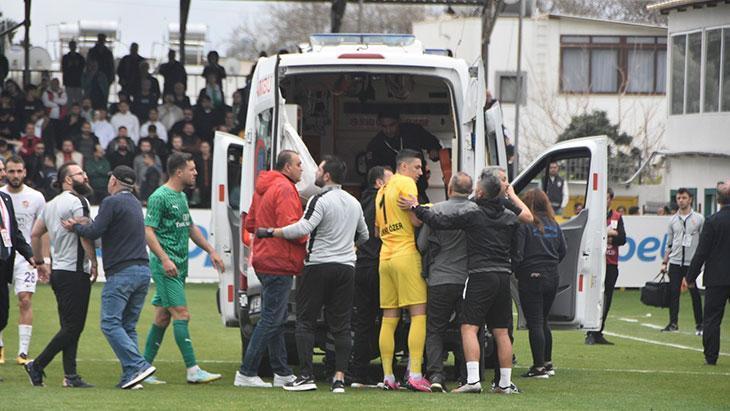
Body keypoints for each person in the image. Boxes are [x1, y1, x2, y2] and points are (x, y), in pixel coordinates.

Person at [403, 166, 532, 395]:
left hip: (479, 275)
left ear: (481, 194)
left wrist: (416, 207)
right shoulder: (509, 216)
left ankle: (472, 380)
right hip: (503, 275)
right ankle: (504, 383)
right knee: (501, 332)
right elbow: (528, 217)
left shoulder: (474, 214)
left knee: (469, 327)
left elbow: (438, 220)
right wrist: (510, 194)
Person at [258, 155, 368, 393]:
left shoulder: (319, 200)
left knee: (305, 322)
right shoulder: (353, 201)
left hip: (318, 265)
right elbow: (365, 235)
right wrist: (349, 248)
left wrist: (272, 232)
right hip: (346, 268)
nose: (314, 173)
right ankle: (339, 378)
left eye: (318, 169)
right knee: (341, 325)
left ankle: (306, 375)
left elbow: (304, 227)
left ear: (327, 175)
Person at [62, 166, 157, 388]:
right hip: (143, 270)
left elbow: (94, 232)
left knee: (110, 323)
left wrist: (76, 226)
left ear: (113, 180)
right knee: (128, 325)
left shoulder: (111, 202)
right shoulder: (134, 202)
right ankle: (132, 377)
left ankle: (138, 365)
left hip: (122, 271)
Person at [141, 152, 224, 384]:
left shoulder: (181, 197)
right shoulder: (160, 197)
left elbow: (190, 228)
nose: (196, 173)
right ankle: (192, 370)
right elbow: (148, 231)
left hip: (179, 266)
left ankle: (142, 368)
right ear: (179, 172)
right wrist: (165, 259)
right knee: (182, 314)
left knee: (162, 318)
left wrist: (211, 251)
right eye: (192, 169)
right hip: (166, 267)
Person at [234, 150, 305, 389]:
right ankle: (247, 371)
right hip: (279, 260)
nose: (301, 168)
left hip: (264, 258)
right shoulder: (285, 189)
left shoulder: (263, 187)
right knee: (272, 319)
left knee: (276, 318)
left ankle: (282, 371)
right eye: (298, 164)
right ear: (286, 168)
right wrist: (309, 237)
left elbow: (251, 224)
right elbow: (292, 228)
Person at [26, 162, 96, 387]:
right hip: (75, 272)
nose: (85, 176)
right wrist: (93, 261)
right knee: (74, 326)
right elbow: (85, 234)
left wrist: (40, 261)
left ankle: (71, 375)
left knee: (69, 324)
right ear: (68, 180)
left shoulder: (51, 204)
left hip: (59, 271)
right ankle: (38, 364)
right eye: (79, 174)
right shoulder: (79, 202)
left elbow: (35, 234)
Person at [374, 149, 431, 392]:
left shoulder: (382, 191)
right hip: (405, 254)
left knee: (389, 318)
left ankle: (388, 376)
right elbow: (417, 220)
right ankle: (415, 373)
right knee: (419, 313)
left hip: (384, 257)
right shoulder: (406, 183)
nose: (421, 172)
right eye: (417, 167)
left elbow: (377, 231)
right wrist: (426, 207)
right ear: (404, 167)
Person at [416, 171, 477, 392]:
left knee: (435, 329)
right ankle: (465, 375)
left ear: (450, 189)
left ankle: (436, 375)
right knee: (467, 328)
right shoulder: (475, 212)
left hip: (439, 277)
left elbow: (422, 245)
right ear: (470, 190)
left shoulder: (436, 210)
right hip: (467, 279)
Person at [512, 189, 566, 379]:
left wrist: (516, 270)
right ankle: (547, 363)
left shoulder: (525, 223)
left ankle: (538, 367)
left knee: (534, 322)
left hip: (531, 276)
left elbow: (518, 252)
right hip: (552, 277)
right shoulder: (554, 224)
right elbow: (563, 250)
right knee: (543, 321)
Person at [0, 156, 46, 365]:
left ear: (25, 172)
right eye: (10, 171)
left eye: (19, 171)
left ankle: (23, 353)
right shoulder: (3, 195)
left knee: (25, 299)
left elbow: (39, 231)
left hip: (23, 257)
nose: (14, 175)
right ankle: (0, 349)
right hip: (4, 257)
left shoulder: (35, 197)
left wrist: (38, 257)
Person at [349, 166, 392, 386]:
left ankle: (358, 372)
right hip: (378, 265)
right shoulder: (384, 202)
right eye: (390, 179)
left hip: (360, 265)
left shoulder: (358, 203)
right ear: (378, 183)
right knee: (389, 318)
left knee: (363, 321)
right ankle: (388, 372)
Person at [687, 180, 730, 366]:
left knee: (712, 318)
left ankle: (711, 356)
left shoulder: (712, 221)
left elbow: (702, 252)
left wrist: (690, 276)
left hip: (716, 277)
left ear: (719, 201)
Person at [365, 112, 441, 199]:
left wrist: (433, 150)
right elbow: (372, 172)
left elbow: (433, 143)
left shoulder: (412, 132)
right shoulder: (375, 144)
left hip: (418, 188)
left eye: (392, 125)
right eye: (384, 126)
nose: (388, 130)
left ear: (398, 122)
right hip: (392, 193)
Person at [660, 188, 704, 334]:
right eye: (678, 198)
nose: (681, 200)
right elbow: (670, 243)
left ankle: (700, 324)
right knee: (674, 293)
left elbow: (704, 241)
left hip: (692, 263)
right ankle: (673, 323)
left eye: (684, 198)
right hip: (676, 262)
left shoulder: (699, 219)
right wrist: (665, 262)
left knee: (694, 293)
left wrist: (702, 261)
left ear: (690, 199)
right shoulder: (673, 220)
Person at [586, 187, 626, 345]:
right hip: (596, 262)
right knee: (593, 297)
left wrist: (606, 236)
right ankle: (590, 331)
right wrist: (608, 233)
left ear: (611, 199)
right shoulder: (593, 216)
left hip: (611, 263)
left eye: (607, 198)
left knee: (607, 298)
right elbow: (591, 236)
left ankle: (599, 331)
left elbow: (622, 238)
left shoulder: (617, 216)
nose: (605, 200)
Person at [61, 41, 85, 106]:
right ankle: (69, 114)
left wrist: (77, 65)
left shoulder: (80, 57)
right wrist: (69, 66)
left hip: (78, 82)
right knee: (69, 100)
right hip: (69, 83)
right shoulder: (65, 57)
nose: (72, 47)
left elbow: (83, 69)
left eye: (73, 45)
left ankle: (78, 114)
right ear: (69, 47)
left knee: (79, 100)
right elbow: (63, 69)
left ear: (75, 46)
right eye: (71, 45)